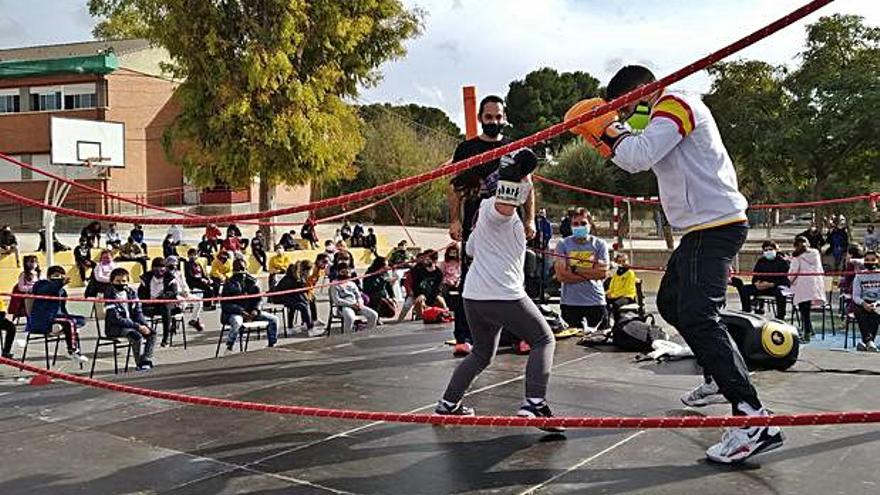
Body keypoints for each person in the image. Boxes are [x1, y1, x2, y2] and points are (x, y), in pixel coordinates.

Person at [573, 65, 781, 463]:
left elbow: (637, 157)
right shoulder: (661, 116)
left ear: (640, 93)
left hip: (714, 226)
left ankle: (754, 418)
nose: (626, 115)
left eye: (625, 107)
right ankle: (718, 375)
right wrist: (610, 134)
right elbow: (637, 151)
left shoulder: (675, 104)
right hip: (699, 231)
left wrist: (605, 128)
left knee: (699, 316)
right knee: (670, 305)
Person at [435, 148, 561, 430]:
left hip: (474, 297)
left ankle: (448, 404)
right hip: (502, 294)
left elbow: (470, 249)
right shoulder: (496, 209)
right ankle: (534, 405)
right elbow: (505, 202)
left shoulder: (484, 218)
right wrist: (511, 170)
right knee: (544, 340)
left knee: (481, 353)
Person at [446, 95, 536, 357]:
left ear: (504, 118)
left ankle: (518, 335)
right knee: (470, 276)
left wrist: (529, 220)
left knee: (514, 277)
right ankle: (463, 336)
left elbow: (528, 186)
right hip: (477, 221)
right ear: (480, 119)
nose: (494, 122)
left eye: (498, 117)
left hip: (509, 223)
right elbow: (454, 188)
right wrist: (455, 219)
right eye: (489, 117)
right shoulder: (466, 149)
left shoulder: (515, 147)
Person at [554, 209, 610, 330]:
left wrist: (573, 268)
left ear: (590, 224)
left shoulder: (600, 244)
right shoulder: (562, 245)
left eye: (583, 223)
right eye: (576, 224)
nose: (579, 226)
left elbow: (602, 273)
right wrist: (591, 268)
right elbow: (561, 275)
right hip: (570, 304)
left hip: (596, 302)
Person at [27, 266, 89, 364]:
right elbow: (46, 290)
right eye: (56, 275)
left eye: (61, 276)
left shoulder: (63, 291)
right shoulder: (41, 284)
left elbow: (63, 309)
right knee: (69, 322)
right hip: (44, 318)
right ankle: (72, 351)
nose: (59, 277)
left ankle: (63, 328)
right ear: (48, 276)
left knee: (80, 319)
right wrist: (59, 283)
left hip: (58, 317)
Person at [220, 258, 279, 353]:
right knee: (237, 322)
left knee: (274, 319)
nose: (241, 271)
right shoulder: (229, 284)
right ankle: (229, 346)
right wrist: (241, 311)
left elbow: (259, 299)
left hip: (251, 312)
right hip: (235, 313)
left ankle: (272, 344)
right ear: (234, 269)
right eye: (238, 268)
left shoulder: (252, 283)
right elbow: (225, 304)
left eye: (243, 268)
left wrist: (256, 309)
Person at [104, 267, 155, 370]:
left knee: (152, 333)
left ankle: (146, 359)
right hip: (115, 327)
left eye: (123, 281)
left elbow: (138, 312)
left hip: (132, 324)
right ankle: (139, 364)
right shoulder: (109, 295)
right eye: (117, 281)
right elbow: (115, 318)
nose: (121, 283)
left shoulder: (131, 293)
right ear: (111, 281)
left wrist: (144, 325)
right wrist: (137, 326)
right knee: (136, 335)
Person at [732, 241, 790, 320]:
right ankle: (746, 312)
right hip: (762, 287)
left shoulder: (782, 262)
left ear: (776, 250)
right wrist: (757, 283)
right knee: (745, 289)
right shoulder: (761, 261)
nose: (768, 252)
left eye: (770, 249)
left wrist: (772, 284)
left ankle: (780, 316)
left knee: (780, 293)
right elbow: (755, 276)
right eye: (766, 250)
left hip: (775, 286)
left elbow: (785, 279)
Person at [788, 236, 826, 343]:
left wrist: (788, 282)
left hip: (803, 286)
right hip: (816, 284)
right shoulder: (815, 253)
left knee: (804, 310)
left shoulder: (797, 257)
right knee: (806, 310)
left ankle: (807, 334)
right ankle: (810, 330)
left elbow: (793, 273)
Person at [271, 263, 322, 336]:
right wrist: (305, 299)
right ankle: (310, 329)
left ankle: (296, 326)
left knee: (305, 302)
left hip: (289, 297)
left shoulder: (296, 278)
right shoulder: (291, 279)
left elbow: (300, 292)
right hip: (280, 298)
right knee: (303, 306)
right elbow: (300, 290)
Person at [139, 257, 180, 347]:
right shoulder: (146, 277)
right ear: (152, 268)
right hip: (151, 305)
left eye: (161, 267)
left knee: (165, 307)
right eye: (156, 267)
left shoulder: (170, 278)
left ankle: (166, 337)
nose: (159, 269)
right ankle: (147, 335)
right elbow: (141, 293)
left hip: (167, 304)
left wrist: (161, 297)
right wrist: (147, 300)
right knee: (139, 310)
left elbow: (173, 292)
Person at [329, 263, 378, 334]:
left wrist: (360, 303)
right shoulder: (335, 285)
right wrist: (352, 305)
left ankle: (366, 332)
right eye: (343, 272)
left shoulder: (352, 284)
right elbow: (337, 300)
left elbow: (359, 296)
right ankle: (347, 336)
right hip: (344, 307)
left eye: (347, 272)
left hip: (357, 305)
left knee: (374, 315)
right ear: (338, 272)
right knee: (350, 318)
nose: (346, 274)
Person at [166, 256, 205, 332]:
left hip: (183, 294)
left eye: (175, 264)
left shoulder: (178, 273)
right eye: (171, 264)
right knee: (182, 304)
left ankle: (193, 320)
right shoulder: (165, 274)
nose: (174, 266)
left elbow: (184, 283)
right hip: (174, 295)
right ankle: (174, 323)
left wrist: (186, 291)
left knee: (198, 301)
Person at [853, 251, 880, 352]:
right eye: (867, 260)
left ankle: (866, 342)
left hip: (877, 303)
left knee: (875, 312)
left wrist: (876, 303)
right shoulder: (859, 275)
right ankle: (869, 342)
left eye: (873, 260)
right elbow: (855, 296)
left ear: (877, 261)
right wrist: (864, 304)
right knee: (860, 312)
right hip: (863, 302)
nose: (870, 262)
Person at [411, 249, 447, 318]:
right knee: (420, 301)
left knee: (440, 300)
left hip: (433, 296)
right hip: (421, 295)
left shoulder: (438, 273)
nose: (424, 261)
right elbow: (415, 286)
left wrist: (433, 298)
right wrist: (420, 294)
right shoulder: (418, 270)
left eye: (427, 259)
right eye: (424, 258)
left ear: (434, 261)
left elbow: (438, 289)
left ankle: (444, 315)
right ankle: (421, 319)